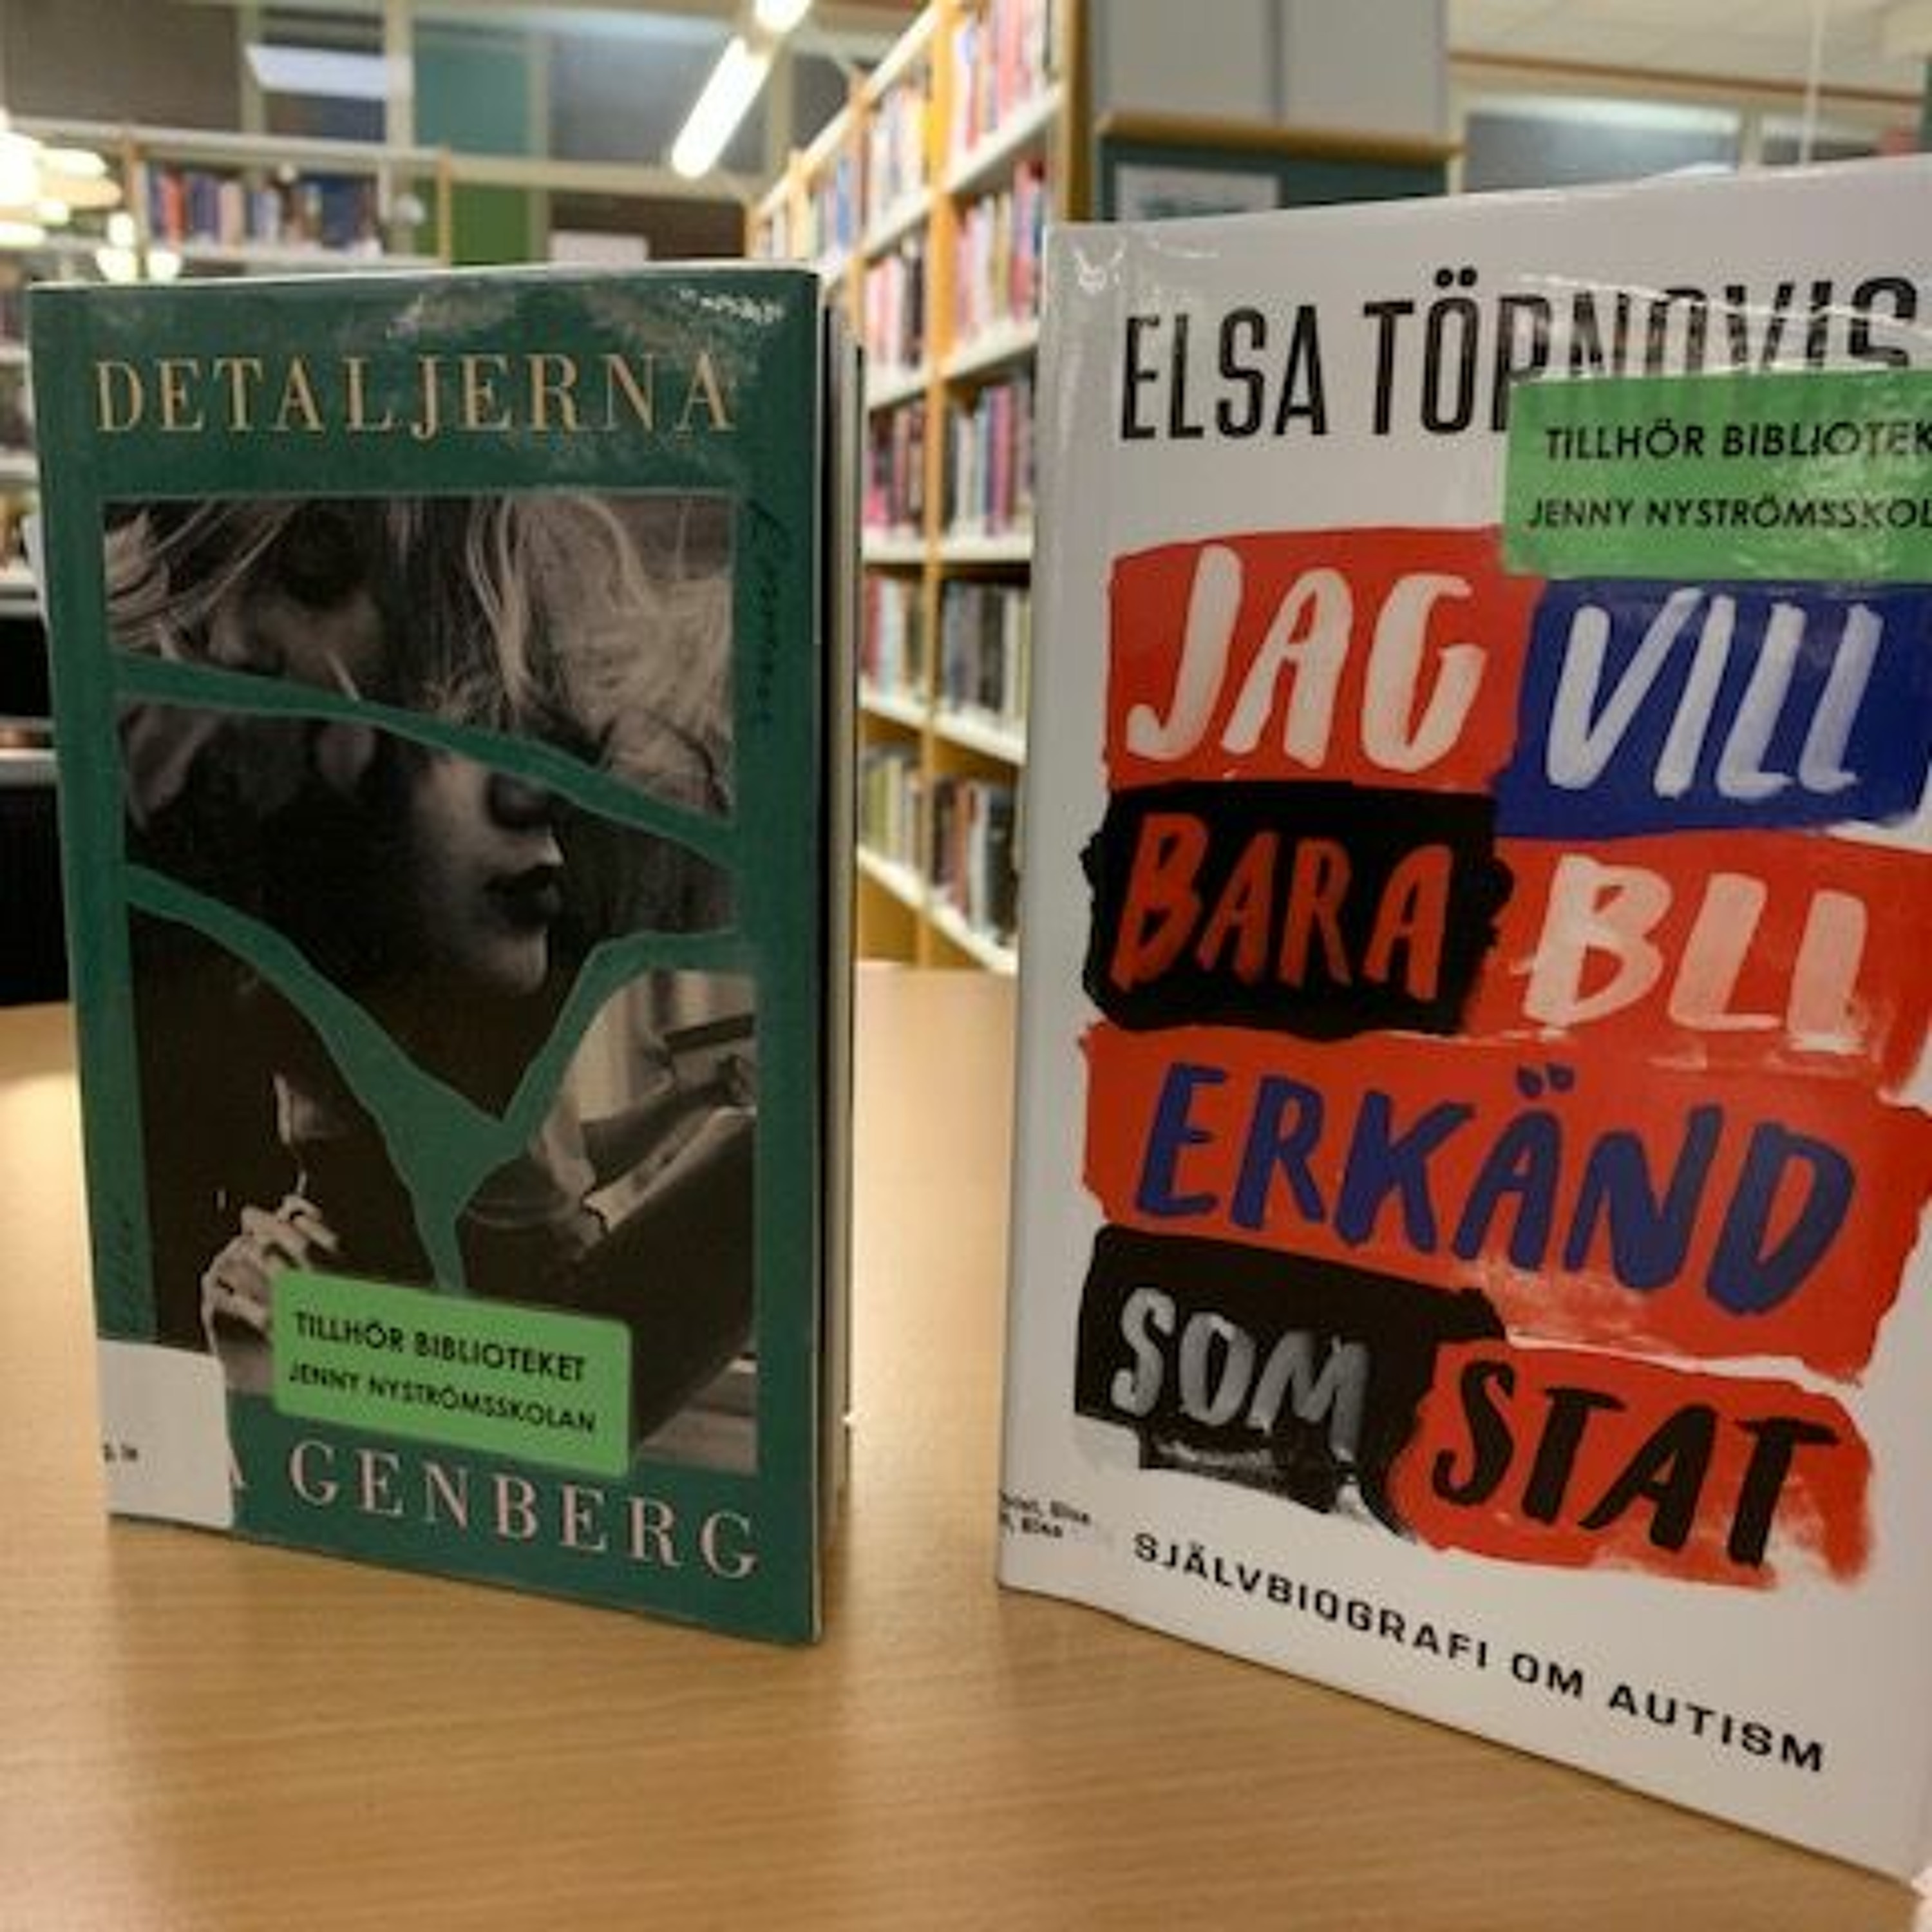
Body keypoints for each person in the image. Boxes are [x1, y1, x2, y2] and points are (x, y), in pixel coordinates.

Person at [111, 493, 755, 1447]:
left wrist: (686, 1100)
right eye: (198, 601)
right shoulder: (320, 937)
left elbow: (548, 1183)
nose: (238, 643)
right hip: (499, 1341)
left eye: (313, 566)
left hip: (545, 1311)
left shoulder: (542, 902)